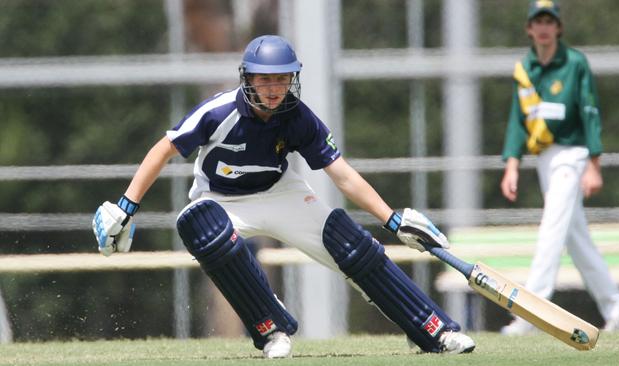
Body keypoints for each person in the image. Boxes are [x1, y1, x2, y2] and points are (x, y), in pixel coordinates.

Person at [92, 35, 475, 358]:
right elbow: (163, 149)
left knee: (355, 249)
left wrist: (391, 218)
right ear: (248, 79)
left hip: (282, 194)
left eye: (283, 79)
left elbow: (341, 174)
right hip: (221, 200)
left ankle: (433, 330)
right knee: (200, 227)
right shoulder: (218, 111)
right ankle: (271, 328)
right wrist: (127, 206)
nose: (275, 89)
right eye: (266, 80)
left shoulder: (298, 117)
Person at [499, 0, 619, 335]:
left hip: (572, 157)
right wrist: (512, 166)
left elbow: (590, 112)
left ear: (559, 27)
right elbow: (518, 122)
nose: (544, 27)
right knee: (577, 241)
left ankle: (531, 313)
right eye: (538, 21)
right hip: (544, 160)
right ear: (529, 28)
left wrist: (594, 164)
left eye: (550, 21)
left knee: (551, 229)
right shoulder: (526, 69)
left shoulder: (575, 63)